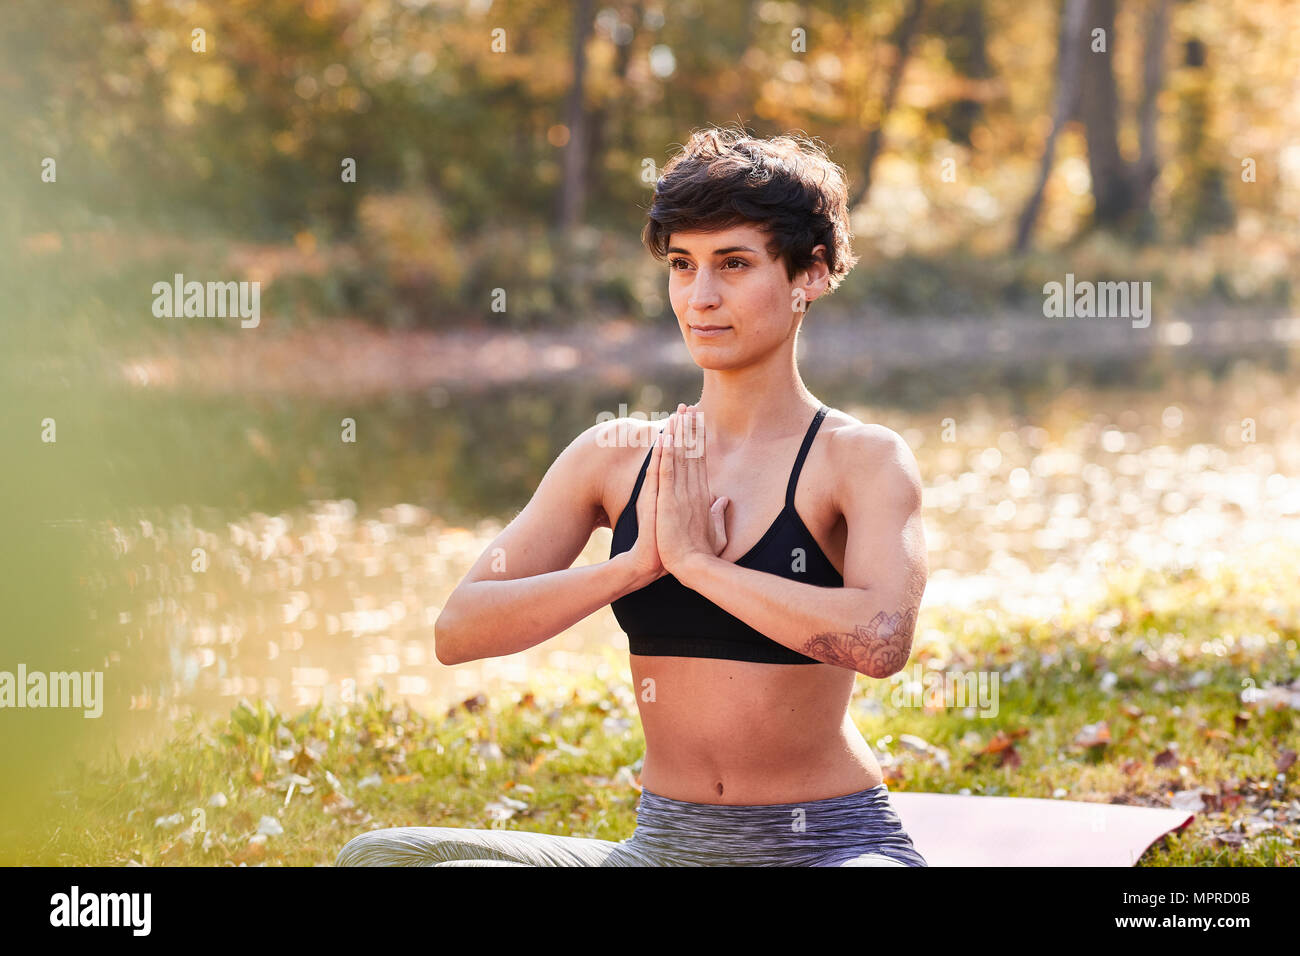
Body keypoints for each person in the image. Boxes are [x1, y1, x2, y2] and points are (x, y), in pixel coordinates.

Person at [337, 124, 929, 866]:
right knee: (381, 857)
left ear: (808, 273)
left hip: (826, 848)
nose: (702, 297)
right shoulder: (614, 458)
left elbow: (880, 639)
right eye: (683, 265)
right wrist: (633, 566)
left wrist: (701, 566)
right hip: (664, 847)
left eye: (734, 264)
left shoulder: (860, 460)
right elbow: (459, 630)